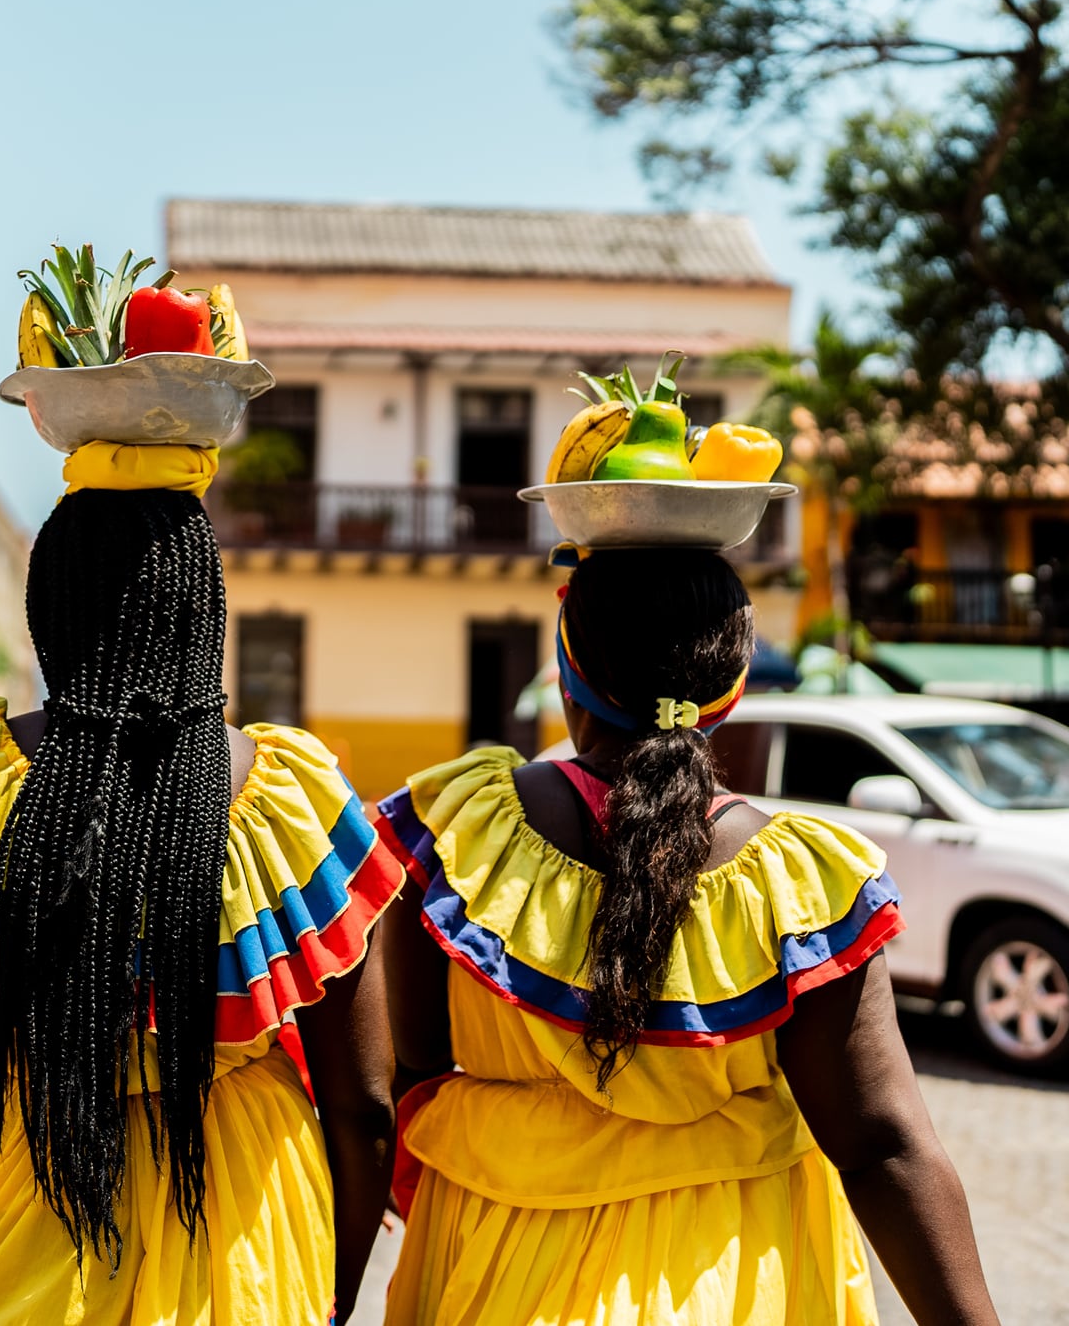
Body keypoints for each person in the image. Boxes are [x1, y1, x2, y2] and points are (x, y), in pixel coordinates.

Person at [0, 443, 402, 1326]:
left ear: (46, 612)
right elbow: (363, 1114)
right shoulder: (296, 803)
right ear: (205, 615)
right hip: (241, 1248)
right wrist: (330, 1299)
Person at [379, 547, 1000, 1326]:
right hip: (733, 1279)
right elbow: (882, 1146)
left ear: (568, 669)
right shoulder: (798, 885)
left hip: (490, 1262)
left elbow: (410, 1078)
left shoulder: (458, 830)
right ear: (730, 691)